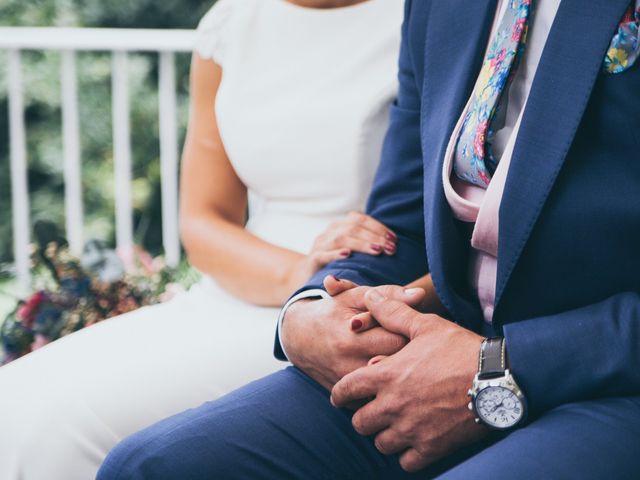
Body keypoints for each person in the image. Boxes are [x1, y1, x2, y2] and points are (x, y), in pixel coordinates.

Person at [98, 0, 640, 478]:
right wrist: (309, 312)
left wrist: (501, 365)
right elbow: (401, 221)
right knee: (150, 466)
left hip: (606, 373)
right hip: (431, 344)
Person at [0, 0, 405, 478]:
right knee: (18, 398)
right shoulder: (231, 23)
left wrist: (324, 291)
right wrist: (298, 275)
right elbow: (203, 222)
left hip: (351, 302)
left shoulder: (424, 19)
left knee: (62, 428)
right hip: (244, 288)